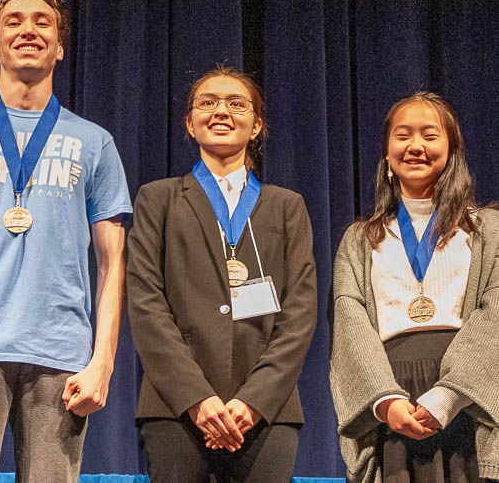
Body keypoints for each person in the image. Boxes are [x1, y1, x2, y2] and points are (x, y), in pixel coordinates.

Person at [0, 0, 132, 482]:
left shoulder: (95, 142)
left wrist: (103, 362)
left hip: (61, 353)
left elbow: (113, 264)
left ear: (60, 47)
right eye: (14, 22)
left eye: (43, 22)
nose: (29, 30)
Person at [127, 65, 317, 483]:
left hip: (268, 411)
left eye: (236, 104)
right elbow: (146, 305)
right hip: (175, 408)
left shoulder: (287, 206)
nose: (221, 111)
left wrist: (253, 400)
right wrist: (196, 398)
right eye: (207, 103)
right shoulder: (157, 199)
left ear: (257, 126)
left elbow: (300, 314)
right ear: (190, 124)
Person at [330, 91, 499, 482]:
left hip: (468, 401)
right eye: (403, 135)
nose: (415, 146)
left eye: (430, 135)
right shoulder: (360, 239)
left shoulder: (488, 230)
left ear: (452, 148)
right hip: (394, 403)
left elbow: (495, 312)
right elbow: (350, 324)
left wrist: (449, 396)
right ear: (388, 153)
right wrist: (384, 401)